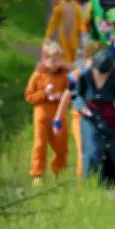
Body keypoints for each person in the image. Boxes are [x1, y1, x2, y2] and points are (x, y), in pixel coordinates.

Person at [74, 51, 115, 186]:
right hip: (89, 114)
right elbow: (76, 95)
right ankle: (92, 183)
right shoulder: (85, 75)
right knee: (93, 148)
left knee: (111, 148)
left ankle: (113, 182)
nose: (101, 75)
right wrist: (81, 107)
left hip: (109, 113)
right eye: (98, 71)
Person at [52, 41, 105, 179]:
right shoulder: (76, 75)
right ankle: (83, 185)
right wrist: (57, 119)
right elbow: (66, 97)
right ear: (87, 58)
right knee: (83, 150)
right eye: (93, 60)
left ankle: (99, 181)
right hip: (80, 119)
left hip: (99, 118)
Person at [25, 41, 70, 185]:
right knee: (40, 144)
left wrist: (60, 95)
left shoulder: (64, 75)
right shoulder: (38, 75)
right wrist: (44, 94)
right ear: (44, 60)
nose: (57, 63)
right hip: (41, 116)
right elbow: (29, 96)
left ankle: (59, 172)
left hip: (58, 115)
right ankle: (38, 174)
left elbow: (70, 93)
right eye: (53, 60)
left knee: (61, 145)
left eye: (59, 60)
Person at [45, 0, 86, 64]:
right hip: (63, 35)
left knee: (73, 54)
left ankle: (71, 68)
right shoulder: (58, 6)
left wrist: (83, 32)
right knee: (65, 54)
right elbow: (53, 22)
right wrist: (48, 35)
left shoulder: (77, 6)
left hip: (74, 35)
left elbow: (81, 21)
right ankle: (66, 71)